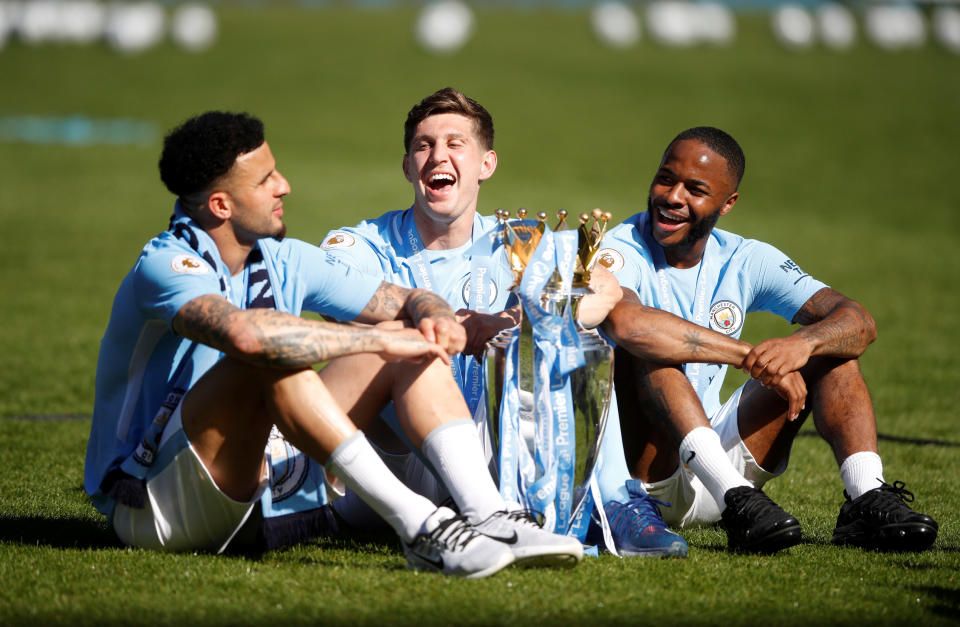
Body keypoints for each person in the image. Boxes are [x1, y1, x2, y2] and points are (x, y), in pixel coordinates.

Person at [84, 111, 583, 579]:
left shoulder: (286, 258)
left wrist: (433, 318)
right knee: (269, 353)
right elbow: (245, 336)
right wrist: (375, 338)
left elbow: (405, 299)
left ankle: (489, 515)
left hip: (262, 491)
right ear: (221, 205)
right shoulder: (167, 264)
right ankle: (421, 526)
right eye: (265, 181)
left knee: (405, 343)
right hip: (157, 506)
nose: (285, 186)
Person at [320, 87, 688, 558]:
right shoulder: (366, 241)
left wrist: (524, 316)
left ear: (485, 165)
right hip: (397, 460)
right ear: (409, 167)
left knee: (568, 328)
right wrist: (445, 323)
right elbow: (330, 293)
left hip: (492, 444)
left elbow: (605, 288)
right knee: (379, 342)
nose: (438, 156)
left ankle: (619, 503)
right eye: (424, 145)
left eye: (455, 144)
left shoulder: (515, 240)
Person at [599, 126, 938, 553]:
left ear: (728, 203)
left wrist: (805, 345)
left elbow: (859, 321)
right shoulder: (618, 246)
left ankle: (865, 496)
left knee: (833, 349)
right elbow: (628, 325)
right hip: (650, 478)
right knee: (651, 353)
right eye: (666, 178)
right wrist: (749, 356)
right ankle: (736, 498)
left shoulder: (746, 257)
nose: (672, 196)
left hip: (715, 453)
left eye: (695, 189)